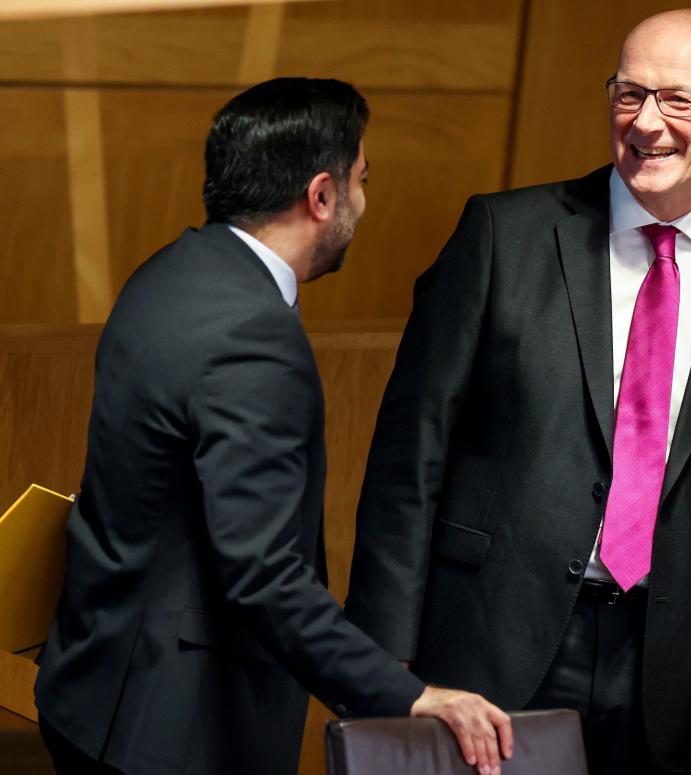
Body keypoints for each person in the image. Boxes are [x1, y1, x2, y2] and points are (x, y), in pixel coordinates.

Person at [345, 9, 691, 775]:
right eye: (629, 95)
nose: (647, 123)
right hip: (491, 641)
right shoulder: (504, 235)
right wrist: (379, 667)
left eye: (678, 100)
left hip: (667, 664)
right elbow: (410, 458)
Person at [34, 78, 511, 775]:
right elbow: (262, 576)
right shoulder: (254, 334)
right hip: (173, 727)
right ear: (321, 196)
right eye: (361, 180)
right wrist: (406, 694)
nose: (363, 201)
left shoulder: (169, 272)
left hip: (91, 688)